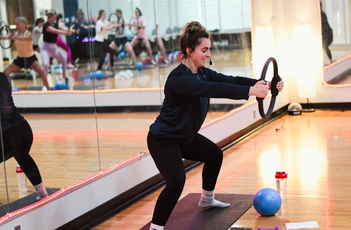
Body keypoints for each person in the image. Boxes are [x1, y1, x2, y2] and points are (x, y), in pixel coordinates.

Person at [146, 21, 284, 230]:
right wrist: (250, 91)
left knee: (214, 154)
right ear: (189, 51)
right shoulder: (179, 79)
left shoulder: (202, 72)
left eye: (208, 49)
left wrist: (264, 84)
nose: (208, 54)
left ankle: (207, 199)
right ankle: (156, 228)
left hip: (184, 136)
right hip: (163, 139)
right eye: (204, 50)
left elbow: (230, 80)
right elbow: (214, 89)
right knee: (176, 181)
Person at [0, 71, 48, 200]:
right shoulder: (3, 76)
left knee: (21, 156)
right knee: (23, 157)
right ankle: (42, 193)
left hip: (8, 136)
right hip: (24, 130)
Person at [1, 17, 50, 90]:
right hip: (19, 59)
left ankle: (49, 90)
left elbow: (22, 38)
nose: (17, 25)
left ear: (24, 24)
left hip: (31, 58)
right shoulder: (15, 34)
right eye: (16, 24)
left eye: (18, 23)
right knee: (5, 73)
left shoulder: (28, 34)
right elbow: (3, 37)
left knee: (42, 73)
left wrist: (14, 37)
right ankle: (9, 92)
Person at [40, 9, 72, 80]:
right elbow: (55, 31)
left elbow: (62, 27)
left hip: (53, 49)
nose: (55, 19)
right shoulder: (46, 26)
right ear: (50, 17)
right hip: (45, 49)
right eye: (54, 17)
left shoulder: (55, 24)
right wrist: (65, 33)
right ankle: (44, 82)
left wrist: (69, 30)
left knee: (64, 59)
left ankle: (64, 77)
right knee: (46, 64)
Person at [94, 9, 117, 74]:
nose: (105, 15)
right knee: (102, 57)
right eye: (104, 14)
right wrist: (113, 26)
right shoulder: (99, 22)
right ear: (101, 15)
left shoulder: (105, 21)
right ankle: (98, 70)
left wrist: (115, 23)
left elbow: (109, 24)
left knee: (111, 51)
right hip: (98, 42)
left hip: (103, 42)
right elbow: (106, 28)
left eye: (105, 14)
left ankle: (112, 67)